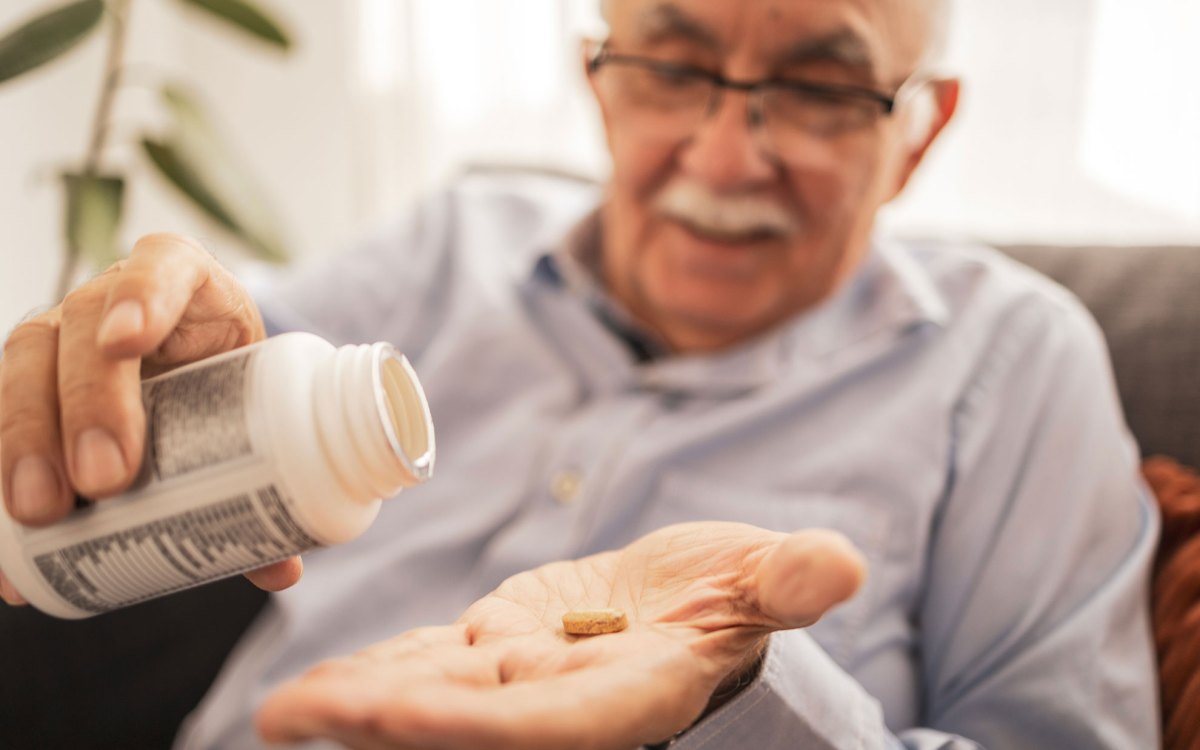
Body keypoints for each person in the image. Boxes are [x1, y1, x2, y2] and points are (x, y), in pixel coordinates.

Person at [0, 0, 1160, 747]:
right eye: (671, 63)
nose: (723, 156)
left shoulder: (1014, 362)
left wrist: (737, 693)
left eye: (817, 89)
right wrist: (124, 384)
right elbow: (222, 381)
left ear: (923, 125)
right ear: (599, 73)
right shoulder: (454, 240)